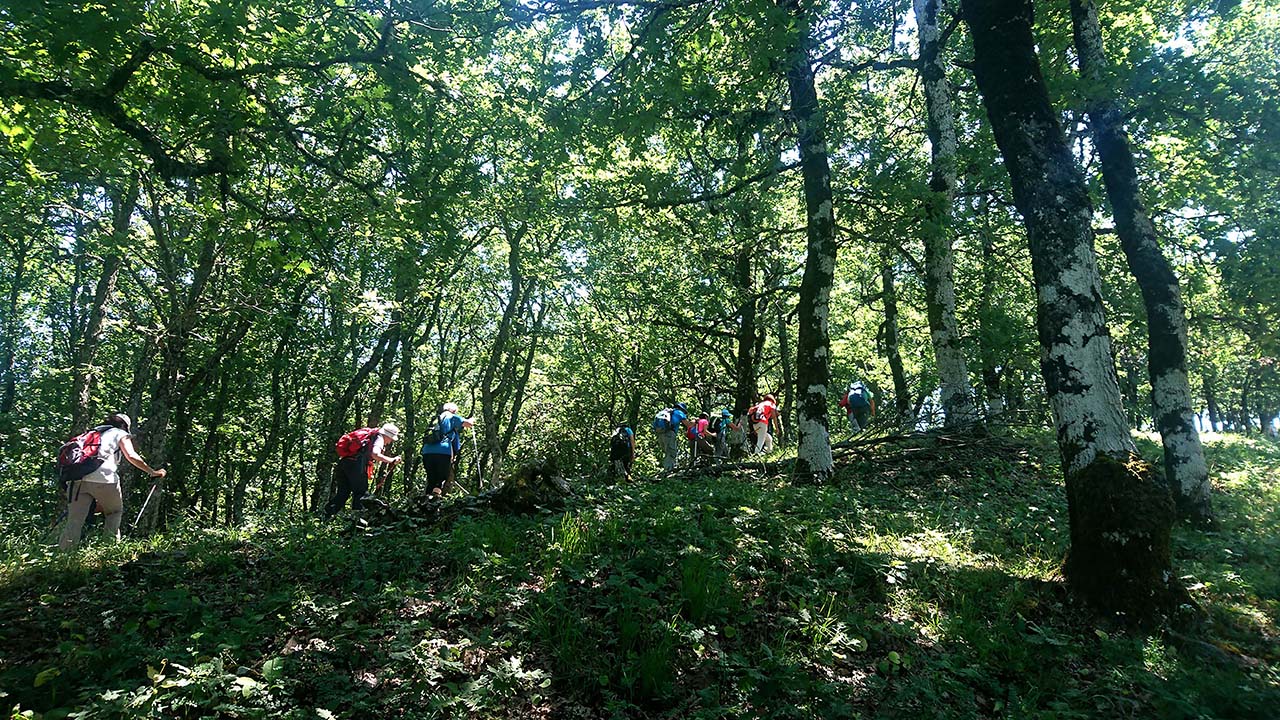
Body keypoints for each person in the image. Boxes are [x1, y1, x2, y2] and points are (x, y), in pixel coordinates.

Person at [59, 413, 166, 550]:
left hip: (77, 478)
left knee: (74, 520)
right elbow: (131, 455)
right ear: (125, 426)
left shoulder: (93, 432)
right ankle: (109, 551)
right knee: (114, 512)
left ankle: (62, 558)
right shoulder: (120, 433)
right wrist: (152, 472)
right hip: (105, 478)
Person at [326, 422, 401, 517]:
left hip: (344, 463)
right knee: (361, 493)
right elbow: (375, 454)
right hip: (356, 465)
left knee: (343, 493)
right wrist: (391, 460)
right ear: (387, 435)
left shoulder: (371, 436)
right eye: (391, 439)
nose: (390, 442)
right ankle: (357, 519)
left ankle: (326, 516)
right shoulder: (379, 438)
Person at [420, 403, 475, 497]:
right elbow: (468, 424)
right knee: (440, 479)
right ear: (453, 411)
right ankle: (434, 502)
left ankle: (426, 502)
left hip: (427, 451)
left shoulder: (435, 419)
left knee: (431, 478)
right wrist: (472, 420)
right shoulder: (452, 417)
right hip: (443, 451)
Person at [654, 402, 688, 471]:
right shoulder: (678, 412)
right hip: (669, 434)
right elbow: (688, 424)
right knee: (671, 452)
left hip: (660, 434)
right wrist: (696, 422)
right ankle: (668, 471)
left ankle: (667, 469)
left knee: (667, 452)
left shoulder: (665, 412)